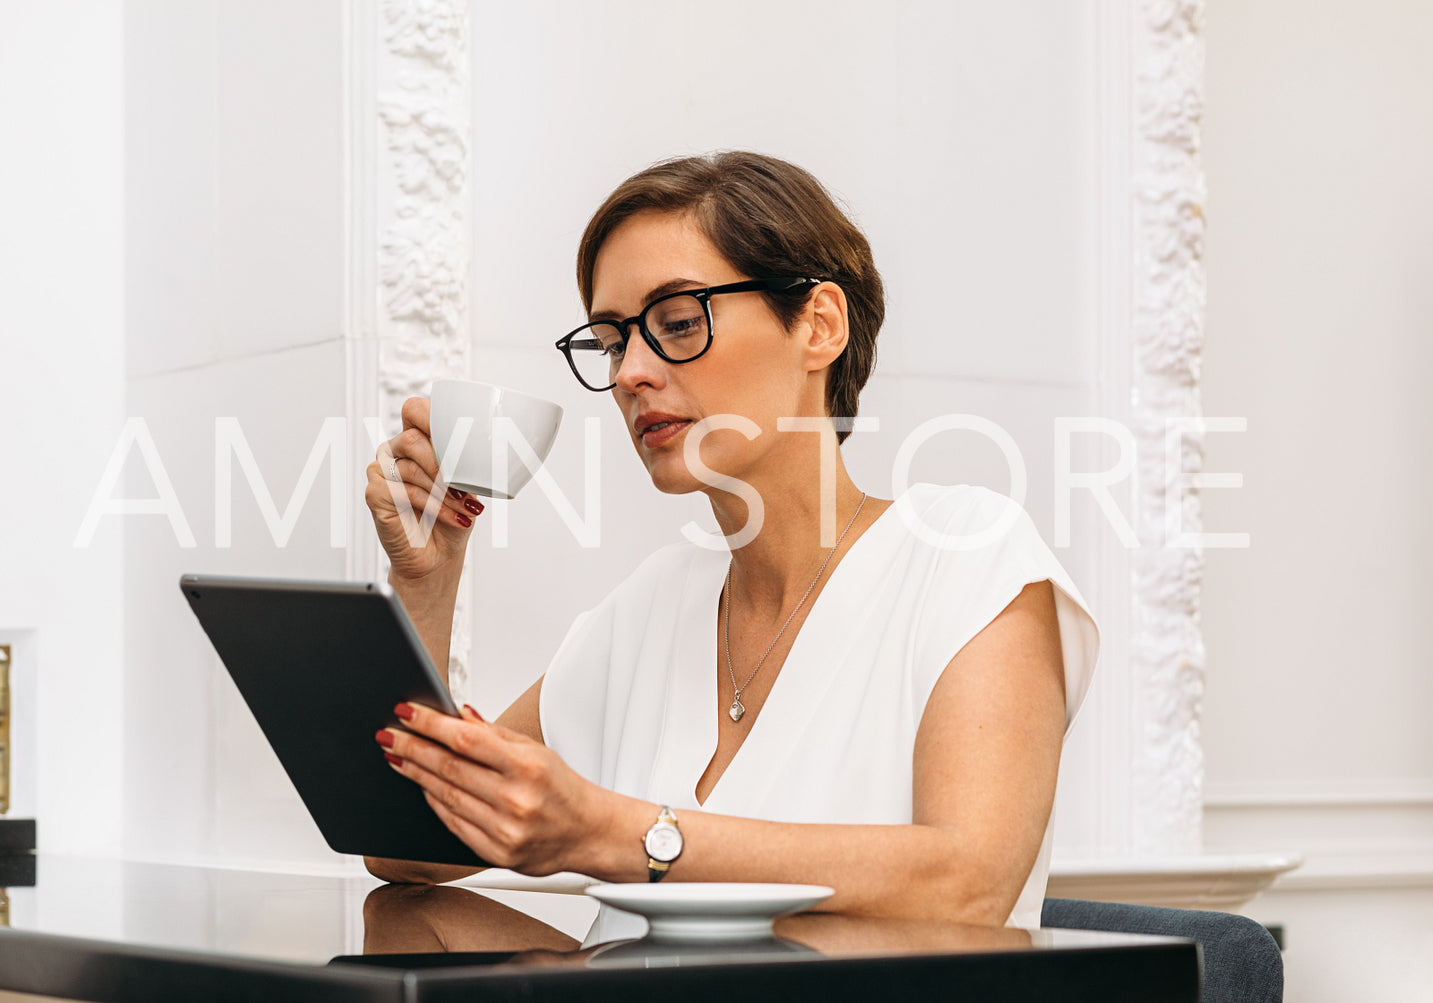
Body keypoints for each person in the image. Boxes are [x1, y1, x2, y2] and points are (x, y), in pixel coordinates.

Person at [362, 151, 1098, 940]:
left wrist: (611, 833)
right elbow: (411, 853)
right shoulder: (651, 607)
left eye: (676, 323)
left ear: (819, 324)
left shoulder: (965, 558)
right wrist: (429, 585)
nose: (631, 373)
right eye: (612, 343)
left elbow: (969, 884)